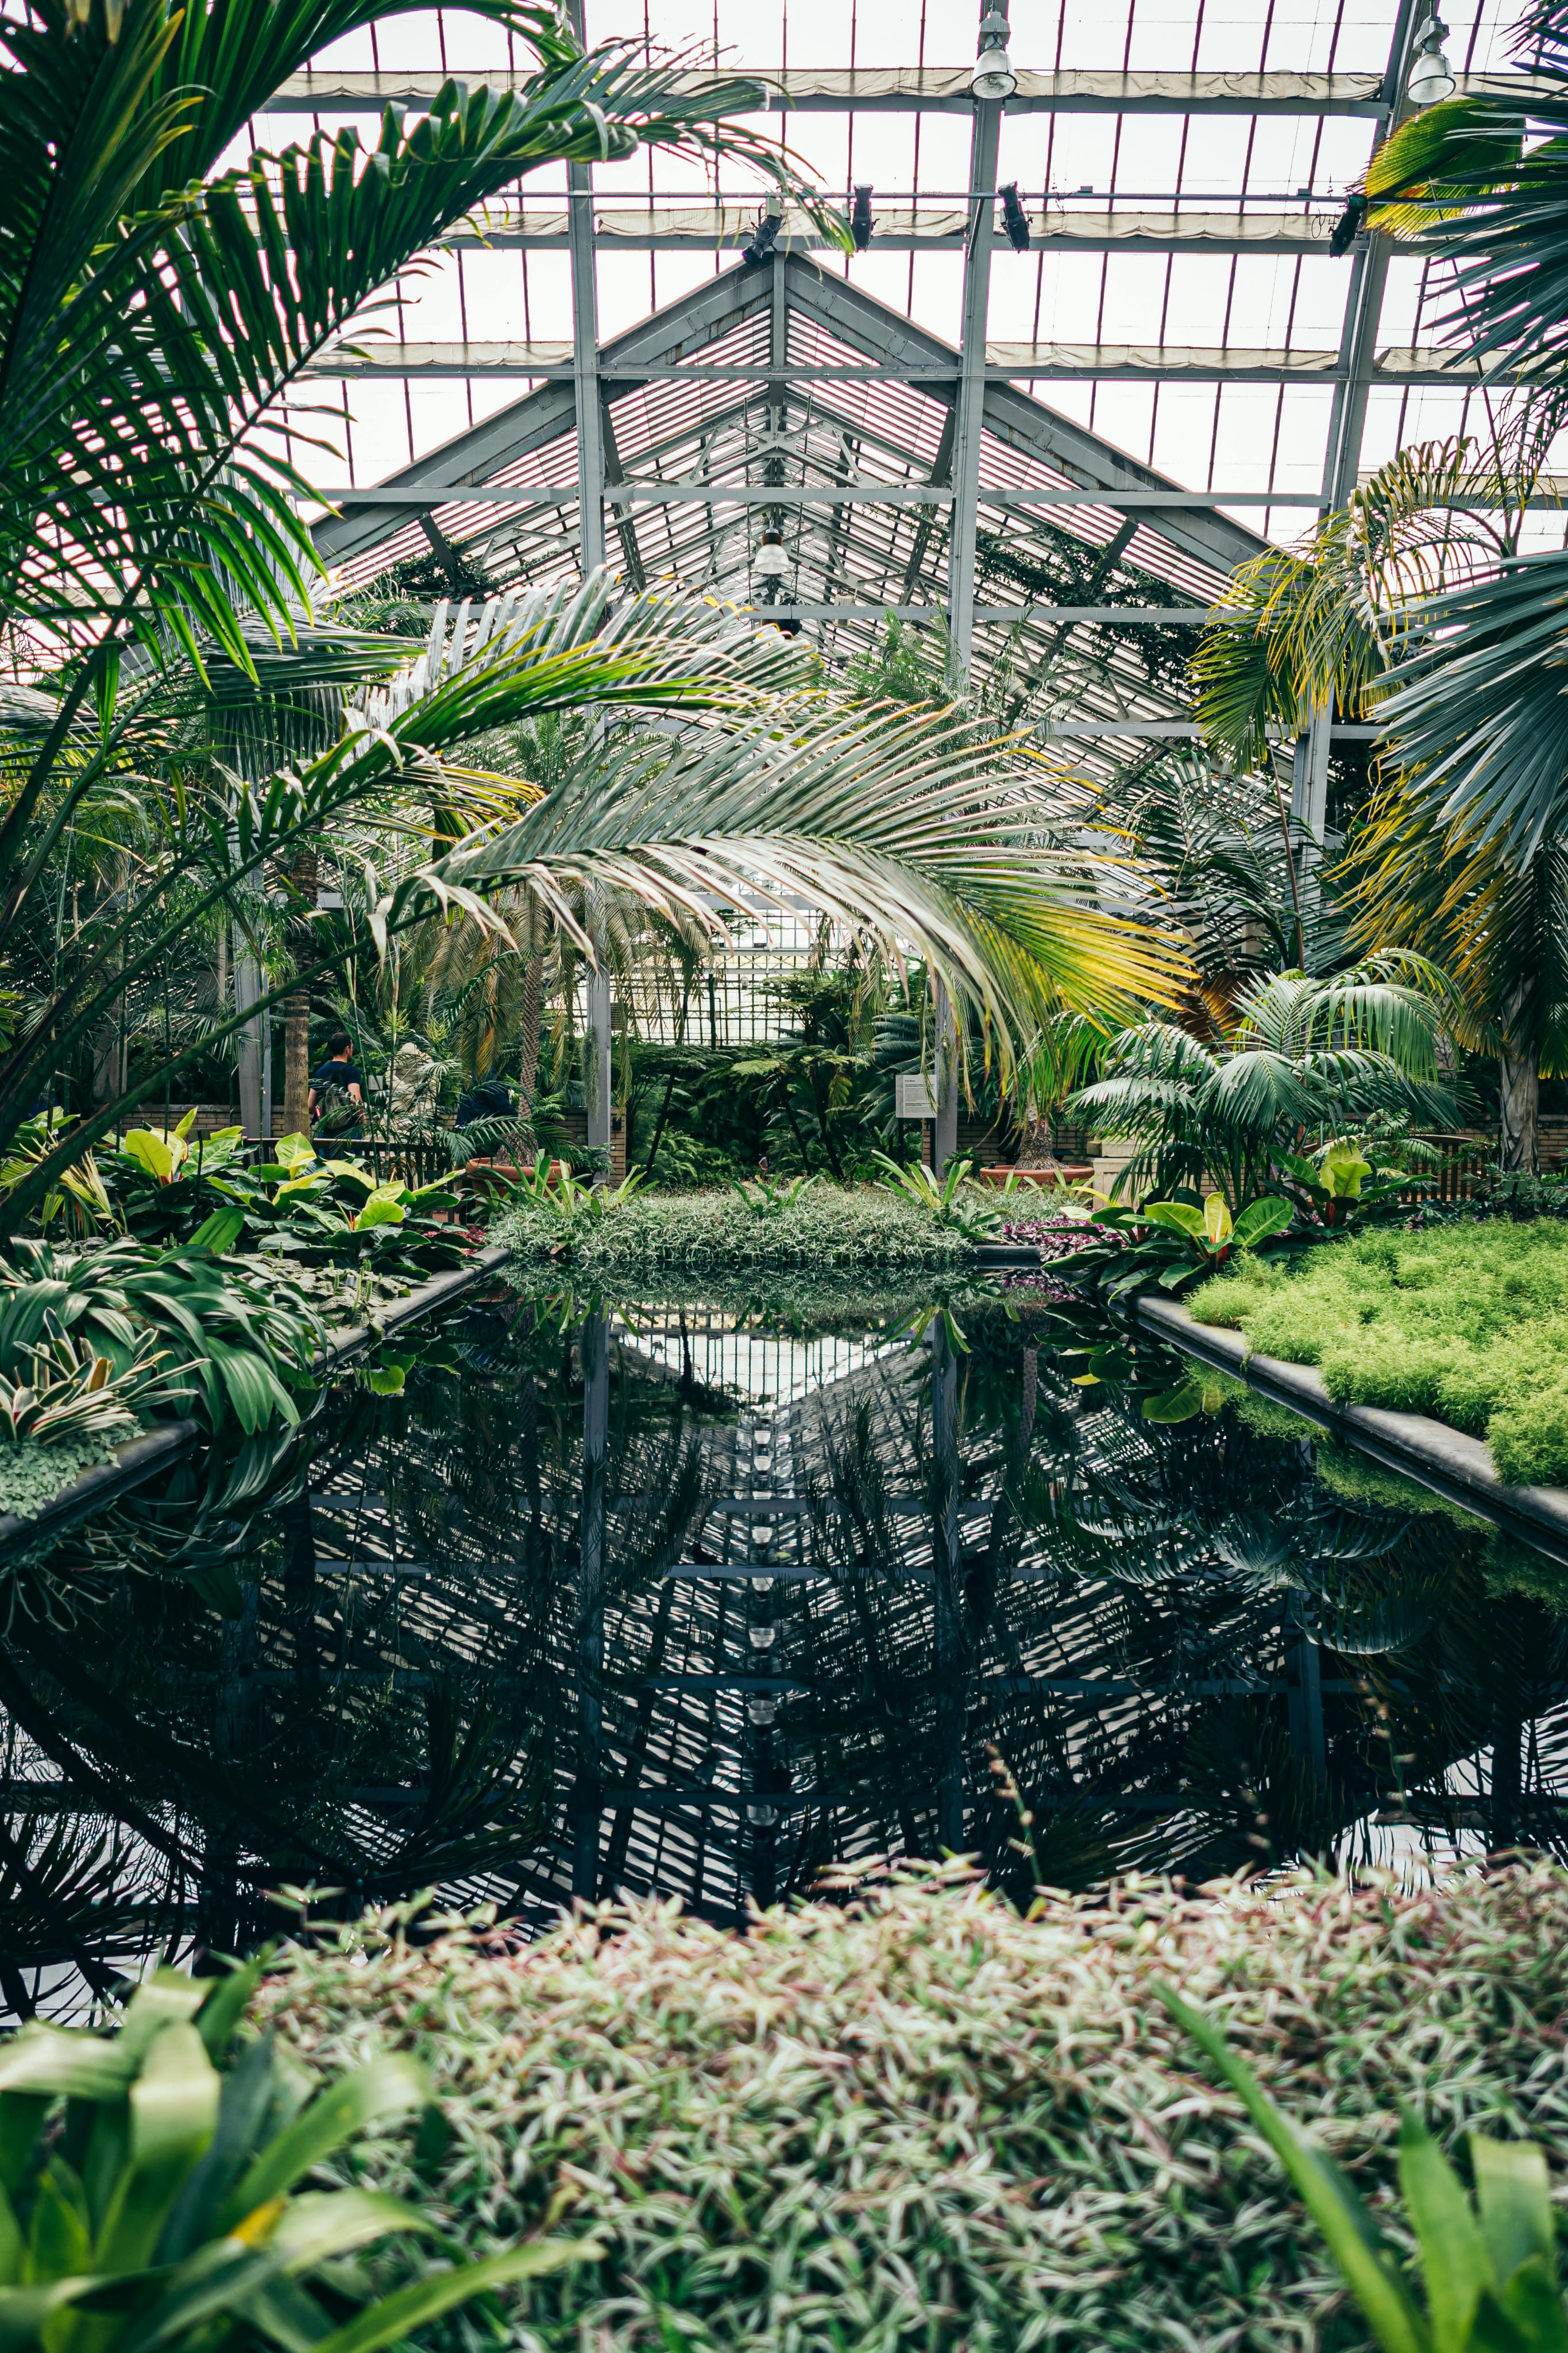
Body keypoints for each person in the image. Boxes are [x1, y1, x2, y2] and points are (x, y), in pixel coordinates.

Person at [307, 1032, 366, 1136]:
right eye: (351, 1047)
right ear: (347, 1049)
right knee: (351, 1153)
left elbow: (310, 1105)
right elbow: (356, 1099)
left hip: (324, 1129)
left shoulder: (320, 1072)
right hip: (349, 1129)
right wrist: (362, 1117)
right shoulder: (352, 1071)